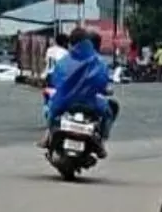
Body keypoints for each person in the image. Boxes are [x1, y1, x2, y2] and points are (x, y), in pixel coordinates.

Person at [37, 28, 114, 158]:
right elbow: (103, 82)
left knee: (51, 109)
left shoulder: (64, 61)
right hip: (90, 103)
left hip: (64, 102)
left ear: (71, 43)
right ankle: (101, 141)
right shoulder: (98, 62)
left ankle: (47, 136)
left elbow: (56, 80)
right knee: (109, 112)